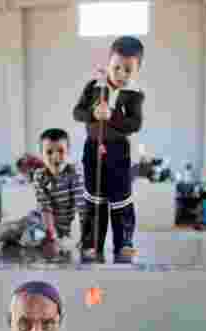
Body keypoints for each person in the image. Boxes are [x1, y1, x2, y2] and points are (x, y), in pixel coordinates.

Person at [73, 36, 145, 261]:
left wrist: (113, 115)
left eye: (128, 70)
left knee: (121, 198)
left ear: (137, 70)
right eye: (117, 68)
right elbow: (77, 112)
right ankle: (91, 243)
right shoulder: (94, 86)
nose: (122, 74)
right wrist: (92, 114)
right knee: (94, 198)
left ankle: (123, 242)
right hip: (92, 149)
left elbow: (134, 124)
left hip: (118, 152)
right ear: (107, 63)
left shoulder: (134, 95)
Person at [0, 128, 84, 257]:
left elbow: (82, 206)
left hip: (59, 228)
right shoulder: (40, 175)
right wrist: (51, 235)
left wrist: (85, 237)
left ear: (68, 151)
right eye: (49, 152)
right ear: (42, 153)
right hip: (41, 221)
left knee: (29, 237)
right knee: (15, 228)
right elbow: (46, 208)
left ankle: (11, 240)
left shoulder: (75, 175)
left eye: (61, 151)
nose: (55, 157)